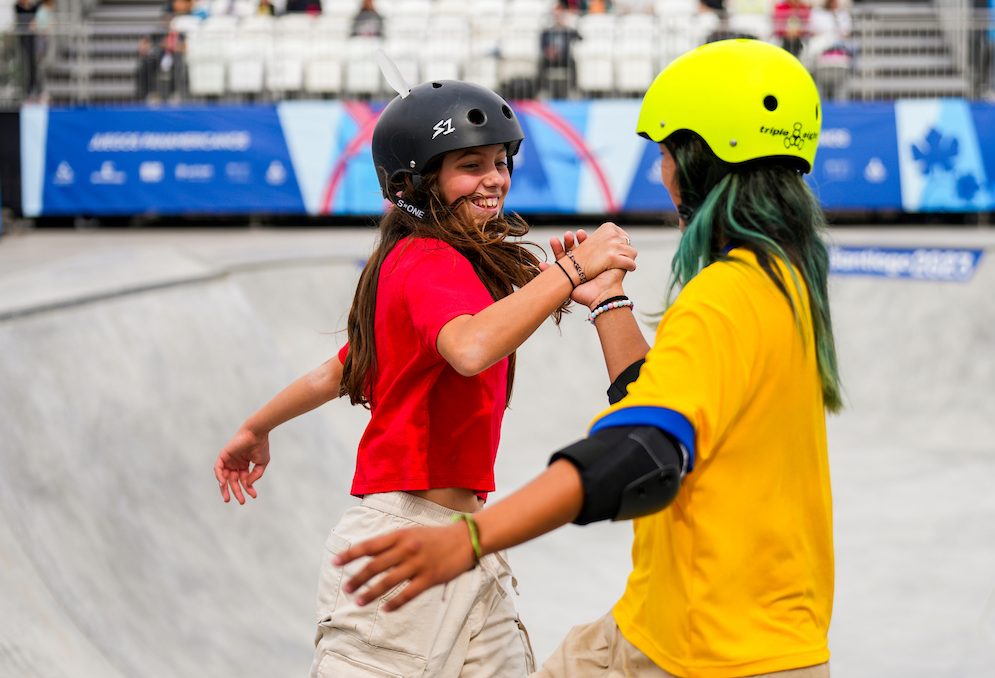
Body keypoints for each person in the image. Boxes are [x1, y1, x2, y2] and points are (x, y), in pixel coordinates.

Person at [335, 39, 843, 677]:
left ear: (699, 160)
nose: (662, 174)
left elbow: (643, 452)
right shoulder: (784, 281)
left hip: (720, 653)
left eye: (665, 155)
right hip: (657, 626)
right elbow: (659, 401)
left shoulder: (726, 296)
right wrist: (608, 304)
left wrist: (470, 540)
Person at [213, 80, 636, 677]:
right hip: (401, 541)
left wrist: (255, 428)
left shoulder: (442, 265)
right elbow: (472, 348)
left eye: (500, 162)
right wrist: (569, 269)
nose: (493, 178)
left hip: (465, 543)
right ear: (413, 185)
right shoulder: (428, 261)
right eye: (470, 165)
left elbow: (340, 370)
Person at [538, 5, 582, 98]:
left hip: (564, 58)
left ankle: (573, 89)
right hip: (550, 58)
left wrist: (567, 26)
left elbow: (580, 37)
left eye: (561, 16)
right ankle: (543, 89)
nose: (558, 18)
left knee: (573, 62)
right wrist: (549, 51)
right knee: (541, 62)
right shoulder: (547, 32)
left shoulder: (568, 31)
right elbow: (542, 44)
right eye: (557, 16)